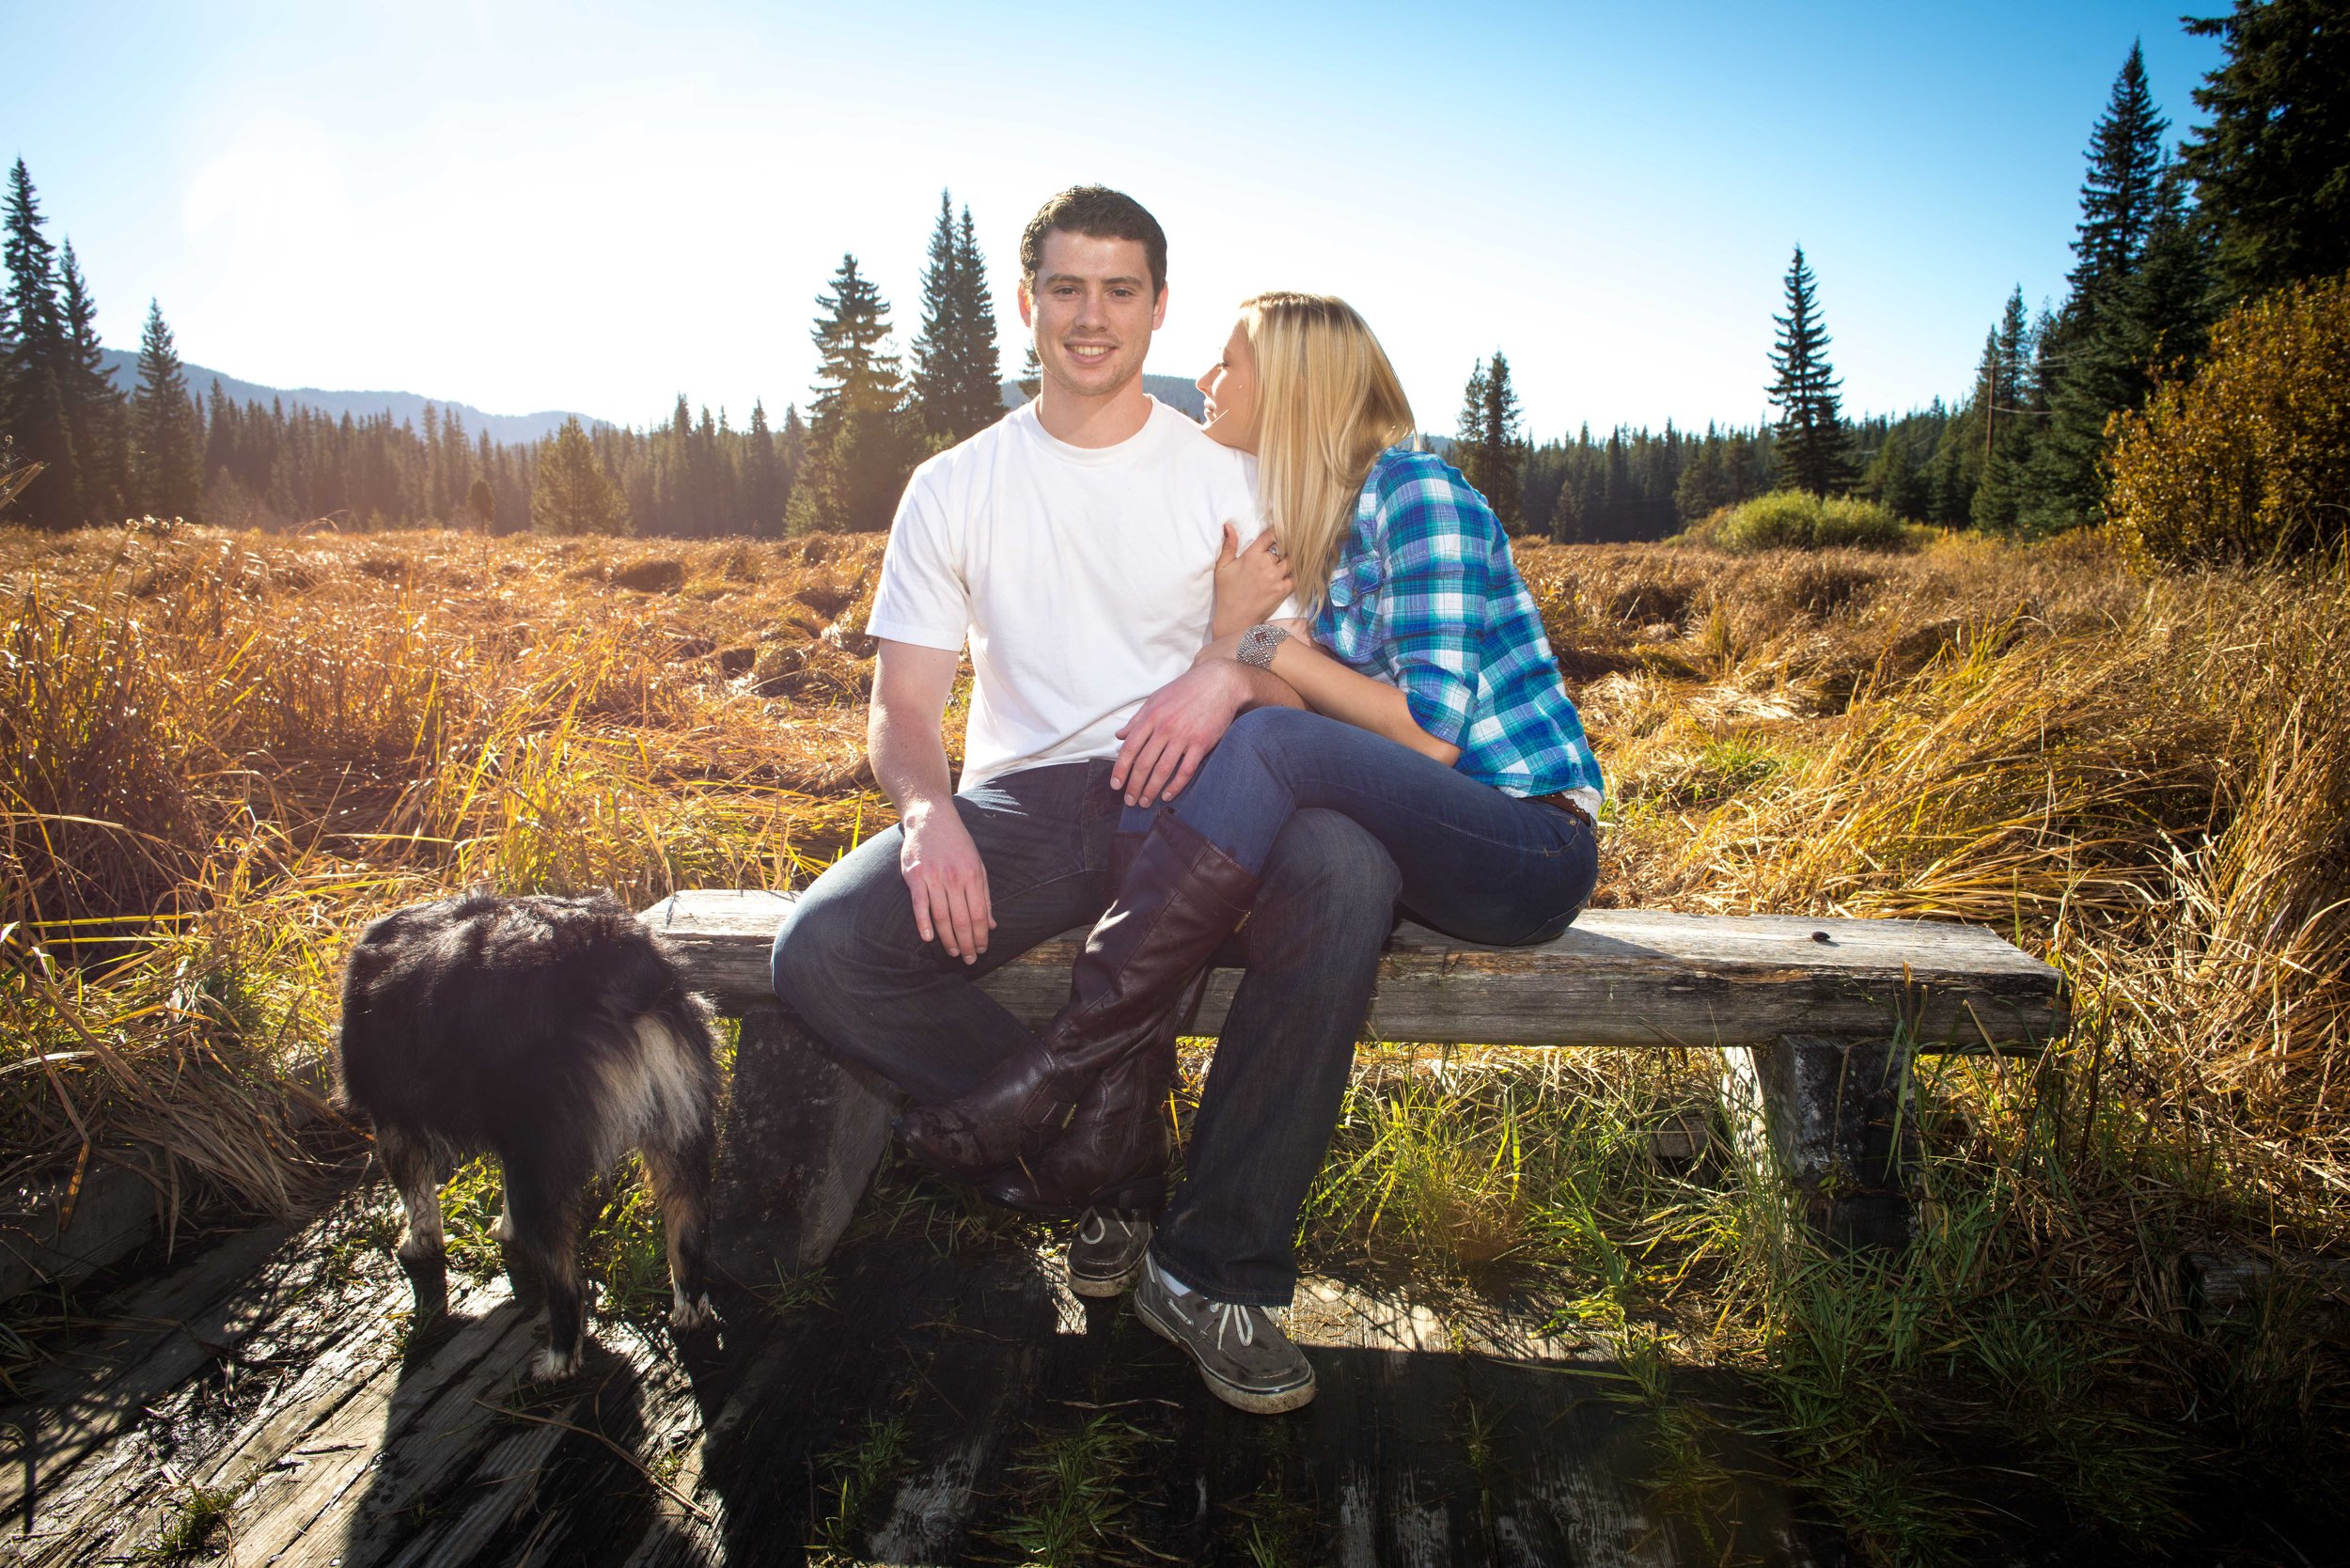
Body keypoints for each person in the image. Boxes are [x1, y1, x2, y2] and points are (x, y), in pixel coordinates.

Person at [895, 290, 1604, 1412]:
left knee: (1258, 734)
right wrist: (1238, 648)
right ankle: (1197, 1265)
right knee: (1314, 839)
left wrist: (1250, 655)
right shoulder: (1321, 521)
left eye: (1227, 362)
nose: (1207, 381)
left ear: (1298, 386)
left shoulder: (1417, 491)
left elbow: (1425, 731)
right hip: (1407, 845)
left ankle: (1071, 1073)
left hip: (1521, 843)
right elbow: (1298, 712)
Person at [771, 196, 1412, 1413]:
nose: (1092, 315)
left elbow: (1308, 678)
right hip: (1038, 808)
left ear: (1159, 308)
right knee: (824, 955)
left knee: (1350, 873)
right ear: (1027, 304)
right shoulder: (955, 486)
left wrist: (1227, 680)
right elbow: (902, 711)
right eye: (1067, 288)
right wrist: (927, 814)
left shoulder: (1231, 476)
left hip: (1217, 798)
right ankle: (1102, 1164)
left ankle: (1215, 1270)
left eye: (1121, 291)